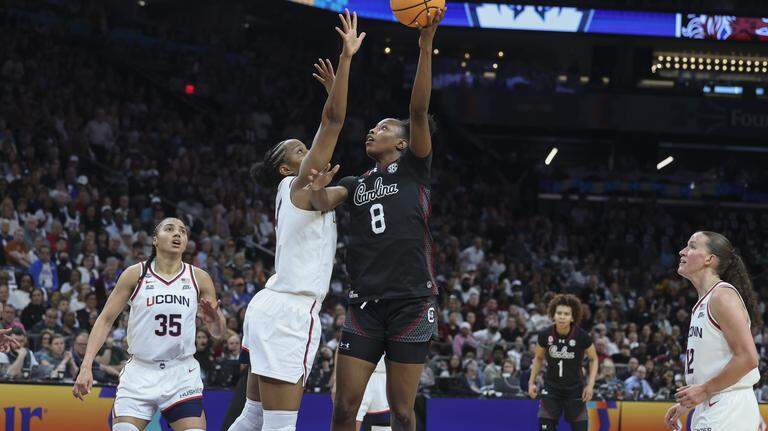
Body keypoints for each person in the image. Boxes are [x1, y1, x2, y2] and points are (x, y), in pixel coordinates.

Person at [306, 9, 445, 431]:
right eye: (371, 128)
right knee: (344, 409)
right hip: (365, 303)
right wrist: (315, 187)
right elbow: (316, 203)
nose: (372, 131)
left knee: (402, 412)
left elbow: (418, 112)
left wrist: (424, 45)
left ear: (402, 143)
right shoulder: (354, 181)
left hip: (410, 302)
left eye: (383, 128)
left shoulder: (414, 167)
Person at [228, 11, 364, 431]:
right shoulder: (298, 185)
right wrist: (345, 61)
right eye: (300, 151)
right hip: (291, 311)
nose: (309, 153)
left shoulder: (301, 194)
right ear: (289, 168)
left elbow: (345, 191)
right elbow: (334, 122)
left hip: (270, 305)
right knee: (280, 425)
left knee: (252, 415)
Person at [72, 218, 226, 431]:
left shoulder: (199, 278)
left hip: (181, 372)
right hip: (140, 372)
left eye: (182, 231)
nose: (177, 234)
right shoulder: (135, 274)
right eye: (169, 229)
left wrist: (214, 320)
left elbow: (218, 333)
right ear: (155, 239)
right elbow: (106, 319)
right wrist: (86, 365)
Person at [665, 232, 761, 431]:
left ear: (710, 259)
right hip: (713, 404)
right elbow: (713, 364)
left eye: (692, 246)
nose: (682, 251)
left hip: (729, 406)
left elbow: (748, 358)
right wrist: (689, 402)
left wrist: (704, 390)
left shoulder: (722, 296)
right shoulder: (705, 301)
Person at [528, 294, 598, 431]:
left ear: (572, 317)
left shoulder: (582, 336)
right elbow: (538, 358)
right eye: (559, 313)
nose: (562, 316)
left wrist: (590, 385)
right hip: (551, 389)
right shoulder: (544, 334)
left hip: (575, 390)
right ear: (553, 315)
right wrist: (531, 382)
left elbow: (593, 359)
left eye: (566, 314)